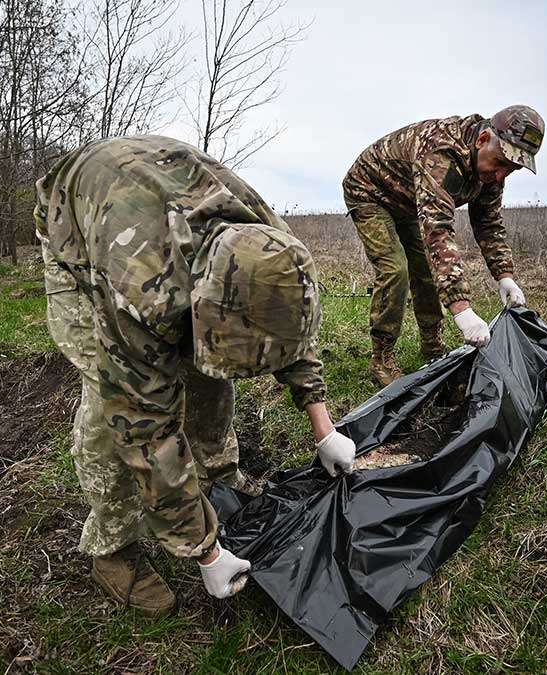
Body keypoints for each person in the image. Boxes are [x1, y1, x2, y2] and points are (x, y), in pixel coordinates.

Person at [33, 135, 357, 617]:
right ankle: (112, 546)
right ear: (202, 304)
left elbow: (287, 330)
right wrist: (202, 550)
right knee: (107, 411)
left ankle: (216, 479)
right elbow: (144, 427)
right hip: (81, 228)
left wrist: (324, 427)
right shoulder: (139, 286)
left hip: (158, 207)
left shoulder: (271, 244)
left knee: (209, 372)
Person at [342, 105, 544, 385]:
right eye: (500, 163)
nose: (501, 175)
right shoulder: (440, 150)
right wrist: (461, 308)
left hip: (408, 202)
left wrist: (505, 277)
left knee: (424, 270)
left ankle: (431, 345)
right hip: (370, 194)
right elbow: (437, 228)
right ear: (483, 139)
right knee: (395, 270)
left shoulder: (493, 173)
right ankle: (382, 358)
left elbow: (488, 225)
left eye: (511, 169)